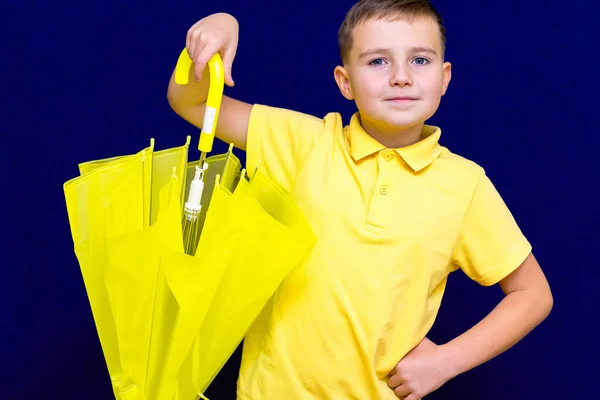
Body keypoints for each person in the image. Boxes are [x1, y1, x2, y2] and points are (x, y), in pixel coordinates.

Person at [167, 1, 554, 399]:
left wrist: (446, 361)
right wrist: (218, 27)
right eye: (377, 62)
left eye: (419, 60)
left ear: (444, 77)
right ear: (345, 81)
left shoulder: (465, 185)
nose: (401, 77)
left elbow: (533, 294)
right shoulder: (305, 142)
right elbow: (191, 102)